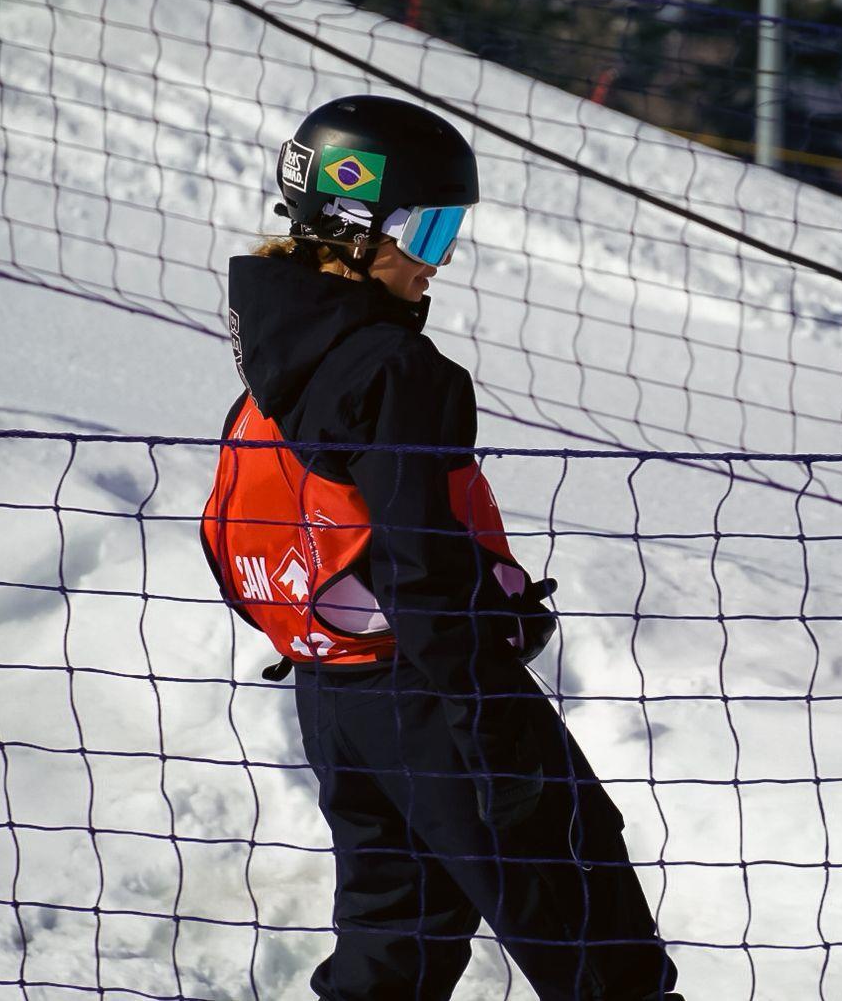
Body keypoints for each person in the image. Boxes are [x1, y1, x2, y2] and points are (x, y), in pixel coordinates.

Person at [201, 94, 681, 1001]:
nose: (442, 259)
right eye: (428, 231)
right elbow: (419, 567)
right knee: (596, 938)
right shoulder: (394, 369)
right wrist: (493, 729)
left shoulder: (281, 353)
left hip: (340, 698)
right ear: (355, 228)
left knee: (396, 947)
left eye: (450, 230)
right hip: (439, 697)